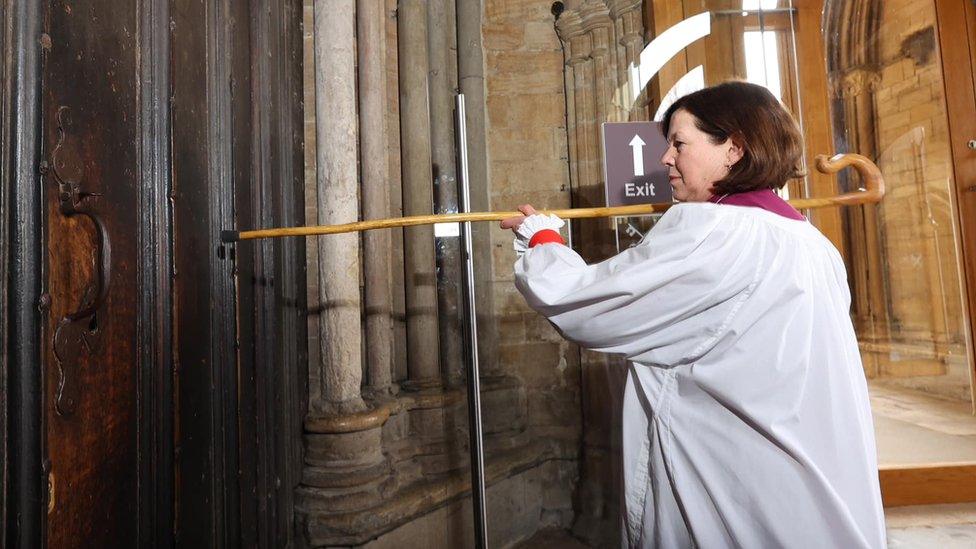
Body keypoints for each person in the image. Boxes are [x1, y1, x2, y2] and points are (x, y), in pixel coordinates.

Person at [501, 81, 886, 548]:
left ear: (734, 149)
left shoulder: (713, 231)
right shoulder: (810, 240)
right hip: (804, 467)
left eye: (679, 144)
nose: (665, 159)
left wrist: (542, 240)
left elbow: (588, 305)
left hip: (733, 471)